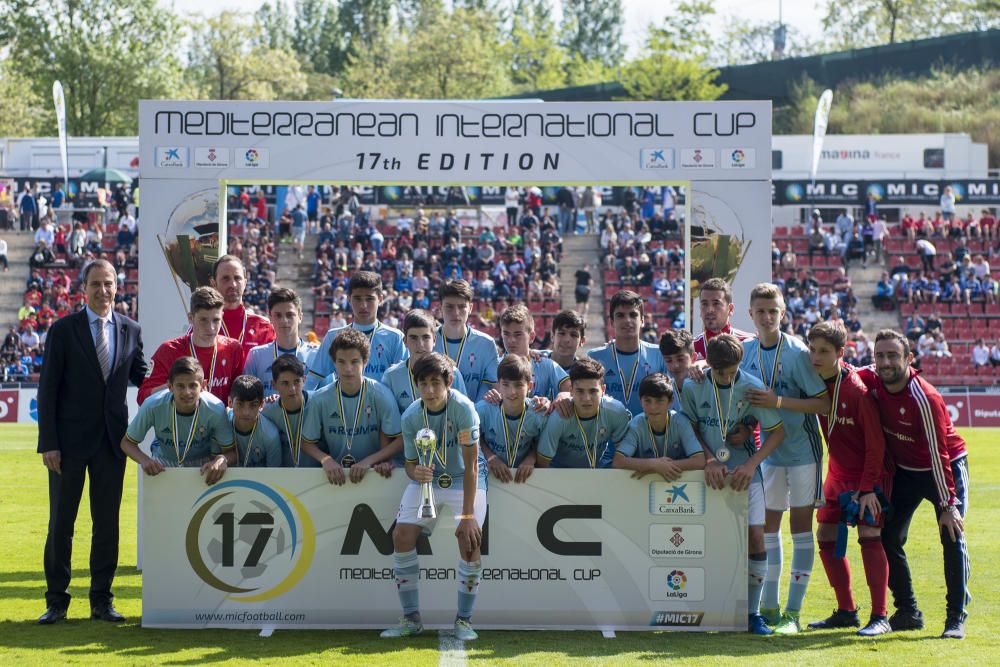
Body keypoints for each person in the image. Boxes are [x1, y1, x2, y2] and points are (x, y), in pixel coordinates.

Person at [36, 259, 148, 625]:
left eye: (109, 283)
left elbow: (144, 377)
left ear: (118, 287)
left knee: (107, 524)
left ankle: (102, 599)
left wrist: (185, 370)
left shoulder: (131, 330)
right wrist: (48, 442)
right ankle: (56, 601)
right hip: (66, 445)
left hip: (112, 443)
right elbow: (47, 388)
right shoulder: (63, 330)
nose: (103, 290)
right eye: (96, 284)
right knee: (61, 524)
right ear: (83, 288)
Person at [857, 330, 970, 639]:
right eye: (880, 356)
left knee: (951, 534)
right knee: (888, 535)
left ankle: (955, 616)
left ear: (909, 359)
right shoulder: (872, 380)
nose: (885, 362)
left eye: (893, 355)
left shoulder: (924, 396)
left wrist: (948, 505)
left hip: (944, 468)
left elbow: (939, 453)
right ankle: (908, 611)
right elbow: (843, 372)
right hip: (906, 471)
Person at [680, 334, 786, 635]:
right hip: (709, 473)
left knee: (755, 538)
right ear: (708, 364)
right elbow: (688, 426)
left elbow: (777, 432)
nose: (726, 377)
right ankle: (708, 608)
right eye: (720, 371)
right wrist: (709, 459)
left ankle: (752, 614)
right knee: (705, 541)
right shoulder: (693, 385)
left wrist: (752, 464)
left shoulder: (751, 386)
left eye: (731, 371)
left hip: (744, 473)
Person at [740, 283, 829, 634]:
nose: (767, 317)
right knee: (769, 530)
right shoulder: (745, 351)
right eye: (761, 311)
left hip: (803, 452)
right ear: (751, 314)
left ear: (783, 313)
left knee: (801, 530)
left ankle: (793, 613)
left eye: (773, 311)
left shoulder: (796, 352)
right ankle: (770, 607)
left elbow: (822, 403)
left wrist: (778, 402)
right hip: (770, 455)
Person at [381, 353, 485, 641]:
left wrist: (466, 516)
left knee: (470, 539)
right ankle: (411, 618)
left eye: (435, 383)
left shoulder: (464, 409)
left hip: (465, 479)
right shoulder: (411, 415)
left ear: (448, 382)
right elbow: (411, 466)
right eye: (423, 383)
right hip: (430, 481)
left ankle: (464, 620)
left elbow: (472, 466)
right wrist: (417, 475)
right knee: (401, 535)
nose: (429, 390)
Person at [805, 322, 892, 636]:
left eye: (824, 351)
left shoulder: (856, 391)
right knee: (825, 536)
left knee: (870, 535)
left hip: (867, 477)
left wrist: (868, 487)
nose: (815, 356)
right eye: (812, 349)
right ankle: (846, 611)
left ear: (840, 354)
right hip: (836, 475)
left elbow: (876, 446)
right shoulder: (812, 380)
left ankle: (880, 616)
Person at [300, 328, 401, 484]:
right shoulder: (320, 399)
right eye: (341, 362)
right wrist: (325, 459)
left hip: (373, 475)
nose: (348, 369)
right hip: (335, 476)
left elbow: (400, 440)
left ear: (365, 361)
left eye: (354, 362)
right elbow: (306, 442)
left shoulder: (381, 395)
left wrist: (370, 461)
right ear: (334, 362)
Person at [121, 357, 235, 476]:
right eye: (180, 386)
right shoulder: (152, 405)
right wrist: (145, 460)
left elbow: (231, 452)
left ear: (202, 385)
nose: (187, 392)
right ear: (170, 386)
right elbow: (127, 443)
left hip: (203, 465)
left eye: (193, 386)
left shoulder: (215, 408)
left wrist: (222, 459)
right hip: (163, 464)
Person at [138, 286, 244, 405]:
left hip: (219, 422)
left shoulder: (233, 348)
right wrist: (177, 386)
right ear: (191, 318)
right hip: (180, 423)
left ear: (222, 317)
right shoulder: (169, 350)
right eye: (203, 320)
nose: (211, 328)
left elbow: (239, 394)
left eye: (216, 320)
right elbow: (143, 397)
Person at [308, 271, 406, 386]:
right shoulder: (333, 337)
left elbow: (404, 384)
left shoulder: (395, 337)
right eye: (358, 299)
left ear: (380, 299)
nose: (363, 305)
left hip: (383, 404)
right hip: (343, 404)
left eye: (369, 299)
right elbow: (313, 380)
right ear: (349, 299)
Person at [536, 358, 631, 468]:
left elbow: (624, 455)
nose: (586, 399)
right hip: (561, 474)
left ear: (603, 390)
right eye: (580, 391)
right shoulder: (559, 416)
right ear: (570, 390)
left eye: (593, 391)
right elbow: (543, 462)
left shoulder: (616, 411)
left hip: (598, 471)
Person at [587, 290, 669, 416]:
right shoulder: (594, 357)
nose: (627, 320)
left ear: (642, 320)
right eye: (620, 315)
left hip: (646, 434)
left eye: (633, 315)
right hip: (607, 434)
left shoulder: (659, 355)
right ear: (612, 322)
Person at [612, 373, 705, 479]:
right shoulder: (637, 424)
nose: (653, 407)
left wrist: (660, 467)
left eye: (659, 401)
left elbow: (699, 461)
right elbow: (618, 461)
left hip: (675, 481)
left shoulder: (681, 422)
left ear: (670, 401)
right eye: (647, 401)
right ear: (640, 401)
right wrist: (654, 465)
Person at [477, 354, 546, 483]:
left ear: (530, 387)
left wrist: (532, 458)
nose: (512, 391)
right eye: (506, 385)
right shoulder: (483, 410)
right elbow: (473, 438)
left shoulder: (538, 412)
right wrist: (490, 457)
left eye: (519, 385)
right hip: (489, 478)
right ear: (498, 385)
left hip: (525, 480)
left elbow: (543, 440)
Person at [383, 309, 468, 414]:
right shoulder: (391, 376)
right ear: (405, 341)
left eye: (426, 337)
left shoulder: (452, 373)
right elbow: (388, 421)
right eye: (413, 338)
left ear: (434, 340)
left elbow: (465, 412)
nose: (420, 344)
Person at [242, 288, 316, 397]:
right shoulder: (256, 356)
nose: (284, 321)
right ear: (270, 318)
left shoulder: (317, 355)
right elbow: (248, 399)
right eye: (278, 315)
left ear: (300, 317)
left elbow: (327, 398)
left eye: (290, 315)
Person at [433, 279, 499, 401]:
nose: (456, 313)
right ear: (440, 307)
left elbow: (495, 388)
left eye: (462, 306)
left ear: (470, 308)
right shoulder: (428, 340)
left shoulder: (486, 344)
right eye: (449, 307)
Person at [496, 303, 569, 401]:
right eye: (506, 334)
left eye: (518, 334)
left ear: (531, 337)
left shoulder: (546, 365)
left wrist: (564, 395)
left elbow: (571, 389)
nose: (511, 340)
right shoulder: (495, 366)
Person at [210, 255, 275, 357]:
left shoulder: (264, 327)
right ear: (213, 283)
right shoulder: (202, 325)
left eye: (237, 278)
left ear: (245, 283)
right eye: (225, 278)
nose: (233, 284)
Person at [260, 354, 316, 468]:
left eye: (296, 381)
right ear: (273, 385)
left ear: (304, 380)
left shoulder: (318, 404)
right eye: (285, 383)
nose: (292, 389)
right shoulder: (267, 412)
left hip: (318, 477)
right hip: (281, 480)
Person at [692, 277, 753, 361]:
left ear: (730, 309)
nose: (710, 310)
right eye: (705, 304)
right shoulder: (691, 347)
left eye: (716, 303)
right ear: (700, 309)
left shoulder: (749, 343)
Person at [228, 375, 282, 467]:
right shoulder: (222, 424)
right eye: (240, 404)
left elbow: (274, 475)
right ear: (230, 402)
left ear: (261, 405)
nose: (246, 412)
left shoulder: (270, 434)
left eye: (253, 405)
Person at [659, 328, 696, 413]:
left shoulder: (704, 386)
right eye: (669, 360)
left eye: (680, 359)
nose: (675, 365)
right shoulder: (662, 389)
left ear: (693, 358)